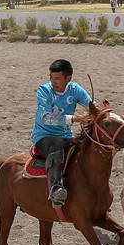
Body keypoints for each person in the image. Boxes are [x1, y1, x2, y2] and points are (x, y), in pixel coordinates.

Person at [31, 59, 92, 208]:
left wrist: (101, 113)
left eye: (57, 78)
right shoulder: (44, 91)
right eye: (51, 77)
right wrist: (75, 118)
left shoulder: (75, 90)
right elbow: (45, 118)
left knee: (86, 149)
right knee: (57, 143)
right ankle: (55, 188)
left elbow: (92, 106)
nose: (53, 81)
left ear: (68, 78)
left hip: (66, 135)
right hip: (44, 136)